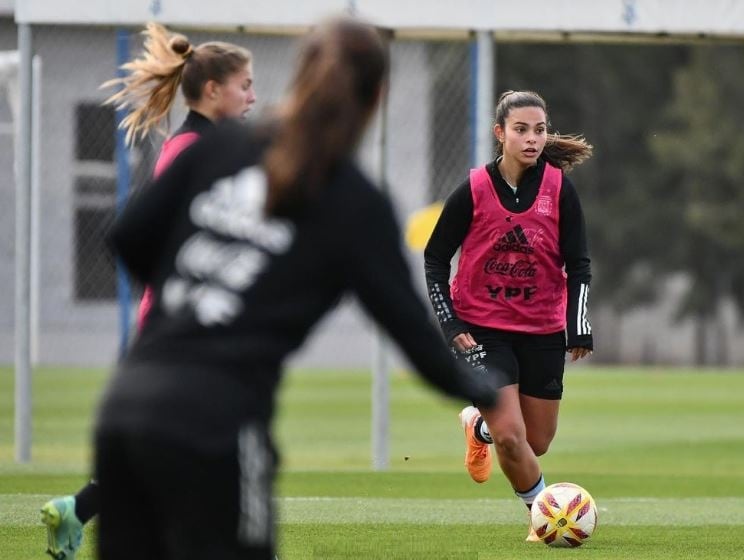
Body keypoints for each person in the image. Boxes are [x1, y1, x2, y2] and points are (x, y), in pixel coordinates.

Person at [92, 16, 497, 560]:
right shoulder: (355, 202)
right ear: (377, 96)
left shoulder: (219, 148)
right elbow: (412, 334)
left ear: (299, 78)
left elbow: (127, 238)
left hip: (124, 407)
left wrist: (203, 287)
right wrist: (489, 390)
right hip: (218, 422)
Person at [40, 23, 256, 560]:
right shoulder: (192, 149)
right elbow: (150, 237)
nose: (253, 96)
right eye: (245, 85)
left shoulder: (203, 144)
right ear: (212, 91)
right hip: (180, 326)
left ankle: (78, 510)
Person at [423, 90, 594, 541]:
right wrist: (451, 324)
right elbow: (435, 259)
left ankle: (477, 426)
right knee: (513, 440)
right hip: (482, 331)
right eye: (521, 129)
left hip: (541, 330)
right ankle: (545, 515)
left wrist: (580, 324)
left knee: (535, 442)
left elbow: (579, 264)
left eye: (539, 130)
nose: (532, 138)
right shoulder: (474, 189)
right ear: (500, 133)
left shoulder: (559, 189)